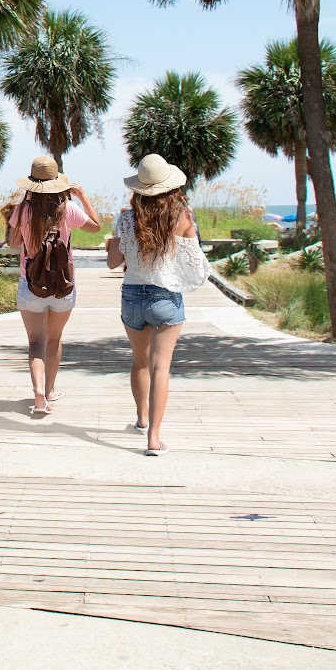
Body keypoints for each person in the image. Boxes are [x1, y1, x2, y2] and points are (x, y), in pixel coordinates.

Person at [106, 153, 210, 456]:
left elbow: (114, 262)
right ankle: (153, 438)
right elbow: (196, 264)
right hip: (165, 297)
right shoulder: (181, 218)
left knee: (140, 361)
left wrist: (113, 243)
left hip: (133, 296)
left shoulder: (126, 219)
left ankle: (140, 419)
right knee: (160, 367)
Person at [5, 156, 100, 416]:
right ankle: (50, 390)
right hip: (63, 285)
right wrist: (81, 196)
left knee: (35, 342)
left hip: (30, 284)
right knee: (54, 338)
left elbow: (13, 244)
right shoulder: (67, 208)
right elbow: (95, 228)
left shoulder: (23, 210)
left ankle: (37, 393)